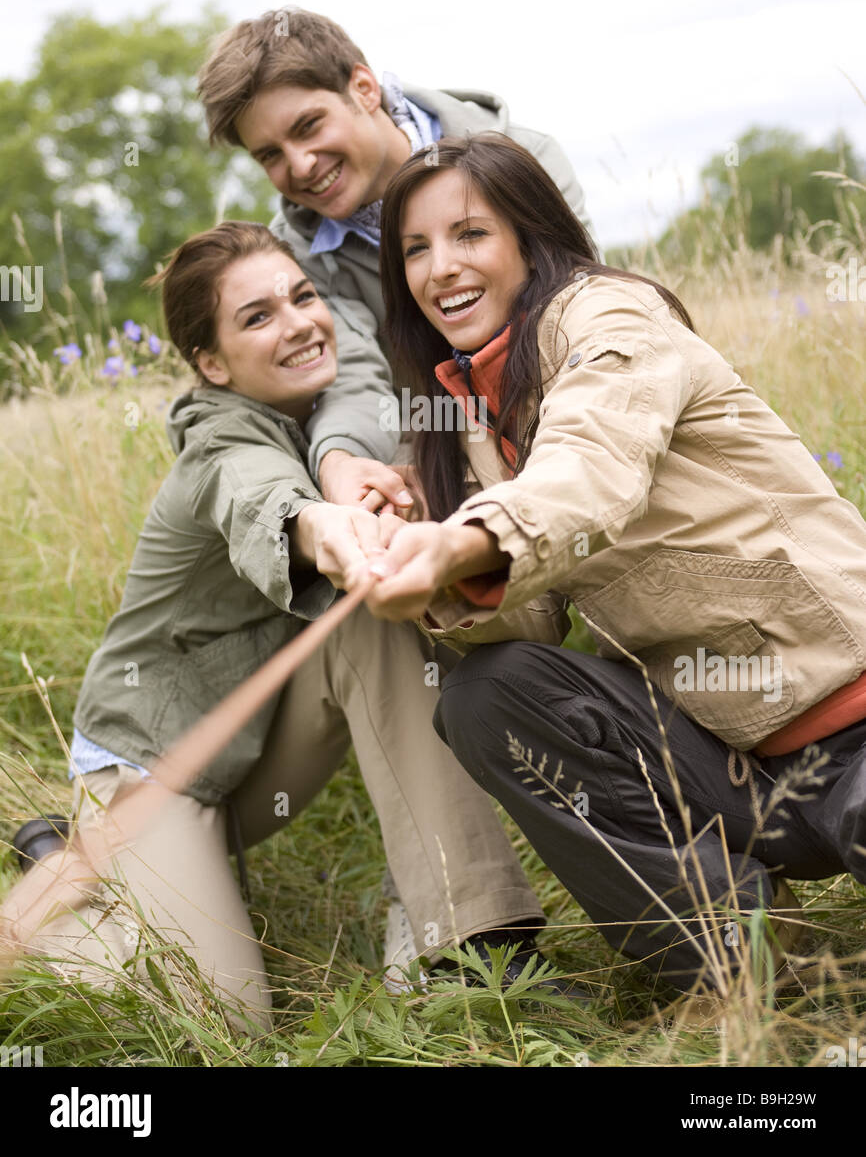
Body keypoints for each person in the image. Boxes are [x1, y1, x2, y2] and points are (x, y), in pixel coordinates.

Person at [349, 131, 866, 1017]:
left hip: (853, 727)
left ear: (530, 236)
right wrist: (429, 563)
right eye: (415, 250)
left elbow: (589, 471)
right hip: (735, 763)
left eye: (469, 234)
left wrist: (469, 538)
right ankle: (730, 970)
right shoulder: (466, 409)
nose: (440, 269)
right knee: (488, 696)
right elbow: (536, 619)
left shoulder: (610, 322)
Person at [9, 220, 544, 1033]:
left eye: (302, 297)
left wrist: (342, 476)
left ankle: (478, 941)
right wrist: (319, 525)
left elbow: (361, 359)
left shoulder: (329, 383)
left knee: (374, 615)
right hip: (157, 769)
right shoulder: (220, 440)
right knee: (224, 1020)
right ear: (212, 365)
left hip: (260, 750)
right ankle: (65, 873)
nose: (297, 323)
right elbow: (256, 493)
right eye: (257, 317)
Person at [196, 6, 600, 514]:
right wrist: (339, 462)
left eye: (308, 126)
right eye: (270, 155)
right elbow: (353, 374)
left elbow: (576, 311)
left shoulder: (527, 156)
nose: (299, 165)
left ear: (364, 89)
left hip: (562, 411)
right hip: (433, 439)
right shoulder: (295, 255)